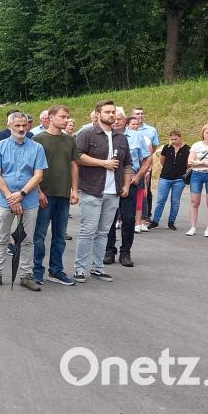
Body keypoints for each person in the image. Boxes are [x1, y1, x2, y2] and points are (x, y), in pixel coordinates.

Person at [0, 112, 47, 291]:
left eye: (24, 125)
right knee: (1, 238)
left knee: (27, 240)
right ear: (9, 126)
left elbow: (38, 175)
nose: (21, 129)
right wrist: (11, 196)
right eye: (17, 125)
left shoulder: (37, 148)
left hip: (29, 200)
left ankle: (26, 275)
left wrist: (22, 194)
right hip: (4, 200)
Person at [73, 100, 131, 283]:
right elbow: (77, 156)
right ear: (98, 114)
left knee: (103, 232)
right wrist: (102, 163)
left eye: (113, 112)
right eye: (107, 112)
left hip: (113, 192)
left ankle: (98, 268)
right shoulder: (87, 133)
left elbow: (127, 163)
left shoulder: (121, 137)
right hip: (92, 190)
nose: (111, 115)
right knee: (87, 231)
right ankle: (79, 269)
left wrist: (126, 185)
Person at [31, 105, 79, 286]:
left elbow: (74, 165)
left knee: (59, 237)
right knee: (39, 236)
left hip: (63, 194)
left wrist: (75, 190)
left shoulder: (70, 140)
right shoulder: (38, 139)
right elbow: (31, 168)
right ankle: (36, 271)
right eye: (62, 117)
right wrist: (38, 191)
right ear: (50, 117)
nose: (66, 120)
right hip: (44, 194)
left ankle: (56, 270)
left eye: (67, 117)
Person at [104, 114, 151, 267]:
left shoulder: (137, 136)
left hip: (130, 182)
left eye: (120, 119)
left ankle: (125, 252)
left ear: (125, 121)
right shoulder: (105, 135)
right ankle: (109, 250)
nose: (116, 121)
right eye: (114, 118)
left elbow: (148, 158)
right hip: (109, 181)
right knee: (109, 218)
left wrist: (138, 177)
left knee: (129, 218)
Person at [149, 129, 189, 230]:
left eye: (176, 139)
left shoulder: (187, 149)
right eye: (172, 139)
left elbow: (188, 164)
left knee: (175, 201)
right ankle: (155, 221)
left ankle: (171, 222)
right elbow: (162, 161)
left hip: (179, 178)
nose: (174, 141)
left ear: (180, 138)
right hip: (165, 177)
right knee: (161, 199)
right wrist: (168, 168)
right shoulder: (167, 147)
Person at [131, 107, 159, 224]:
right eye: (137, 113)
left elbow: (154, 147)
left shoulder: (151, 130)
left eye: (142, 113)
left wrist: (148, 164)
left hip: (145, 163)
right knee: (132, 191)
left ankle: (146, 215)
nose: (140, 115)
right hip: (133, 165)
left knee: (146, 190)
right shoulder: (129, 129)